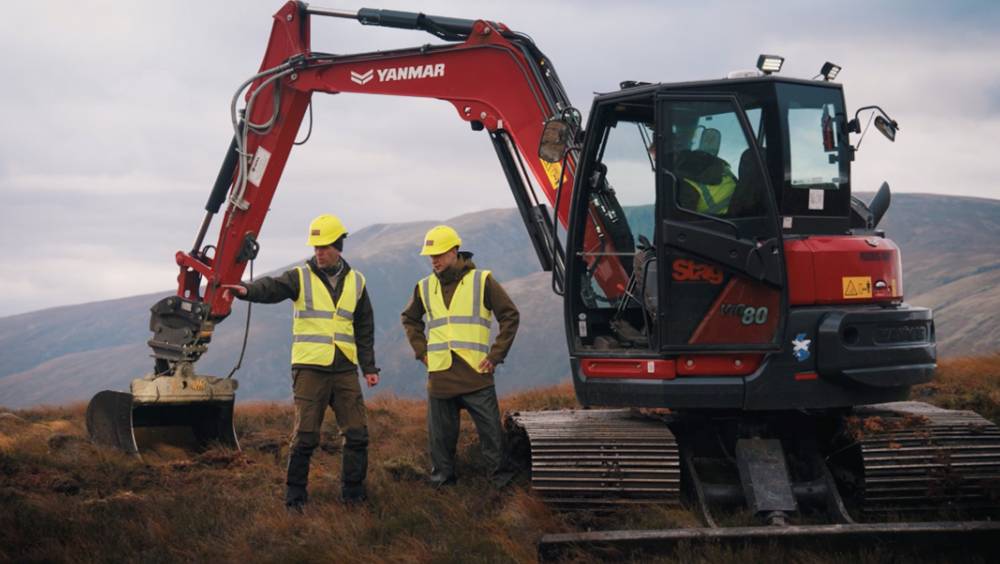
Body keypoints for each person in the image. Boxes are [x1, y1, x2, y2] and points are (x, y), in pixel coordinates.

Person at [222, 214, 379, 511]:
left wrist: (369, 368)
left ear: (338, 246)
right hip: (310, 370)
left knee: (357, 433)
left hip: (345, 368)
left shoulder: (357, 281)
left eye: (324, 247)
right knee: (306, 436)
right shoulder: (300, 276)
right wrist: (246, 290)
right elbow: (272, 288)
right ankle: (295, 500)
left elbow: (364, 327)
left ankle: (354, 496)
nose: (318, 252)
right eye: (315, 247)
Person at [400, 225, 519, 488]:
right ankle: (443, 489)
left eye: (440, 254)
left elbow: (510, 315)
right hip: (440, 375)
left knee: (492, 437)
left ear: (455, 251)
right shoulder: (424, 286)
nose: (435, 260)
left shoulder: (482, 280)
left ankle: (503, 489)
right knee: (440, 440)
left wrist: (496, 355)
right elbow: (409, 318)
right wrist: (422, 352)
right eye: (431, 256)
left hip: (477, 372)